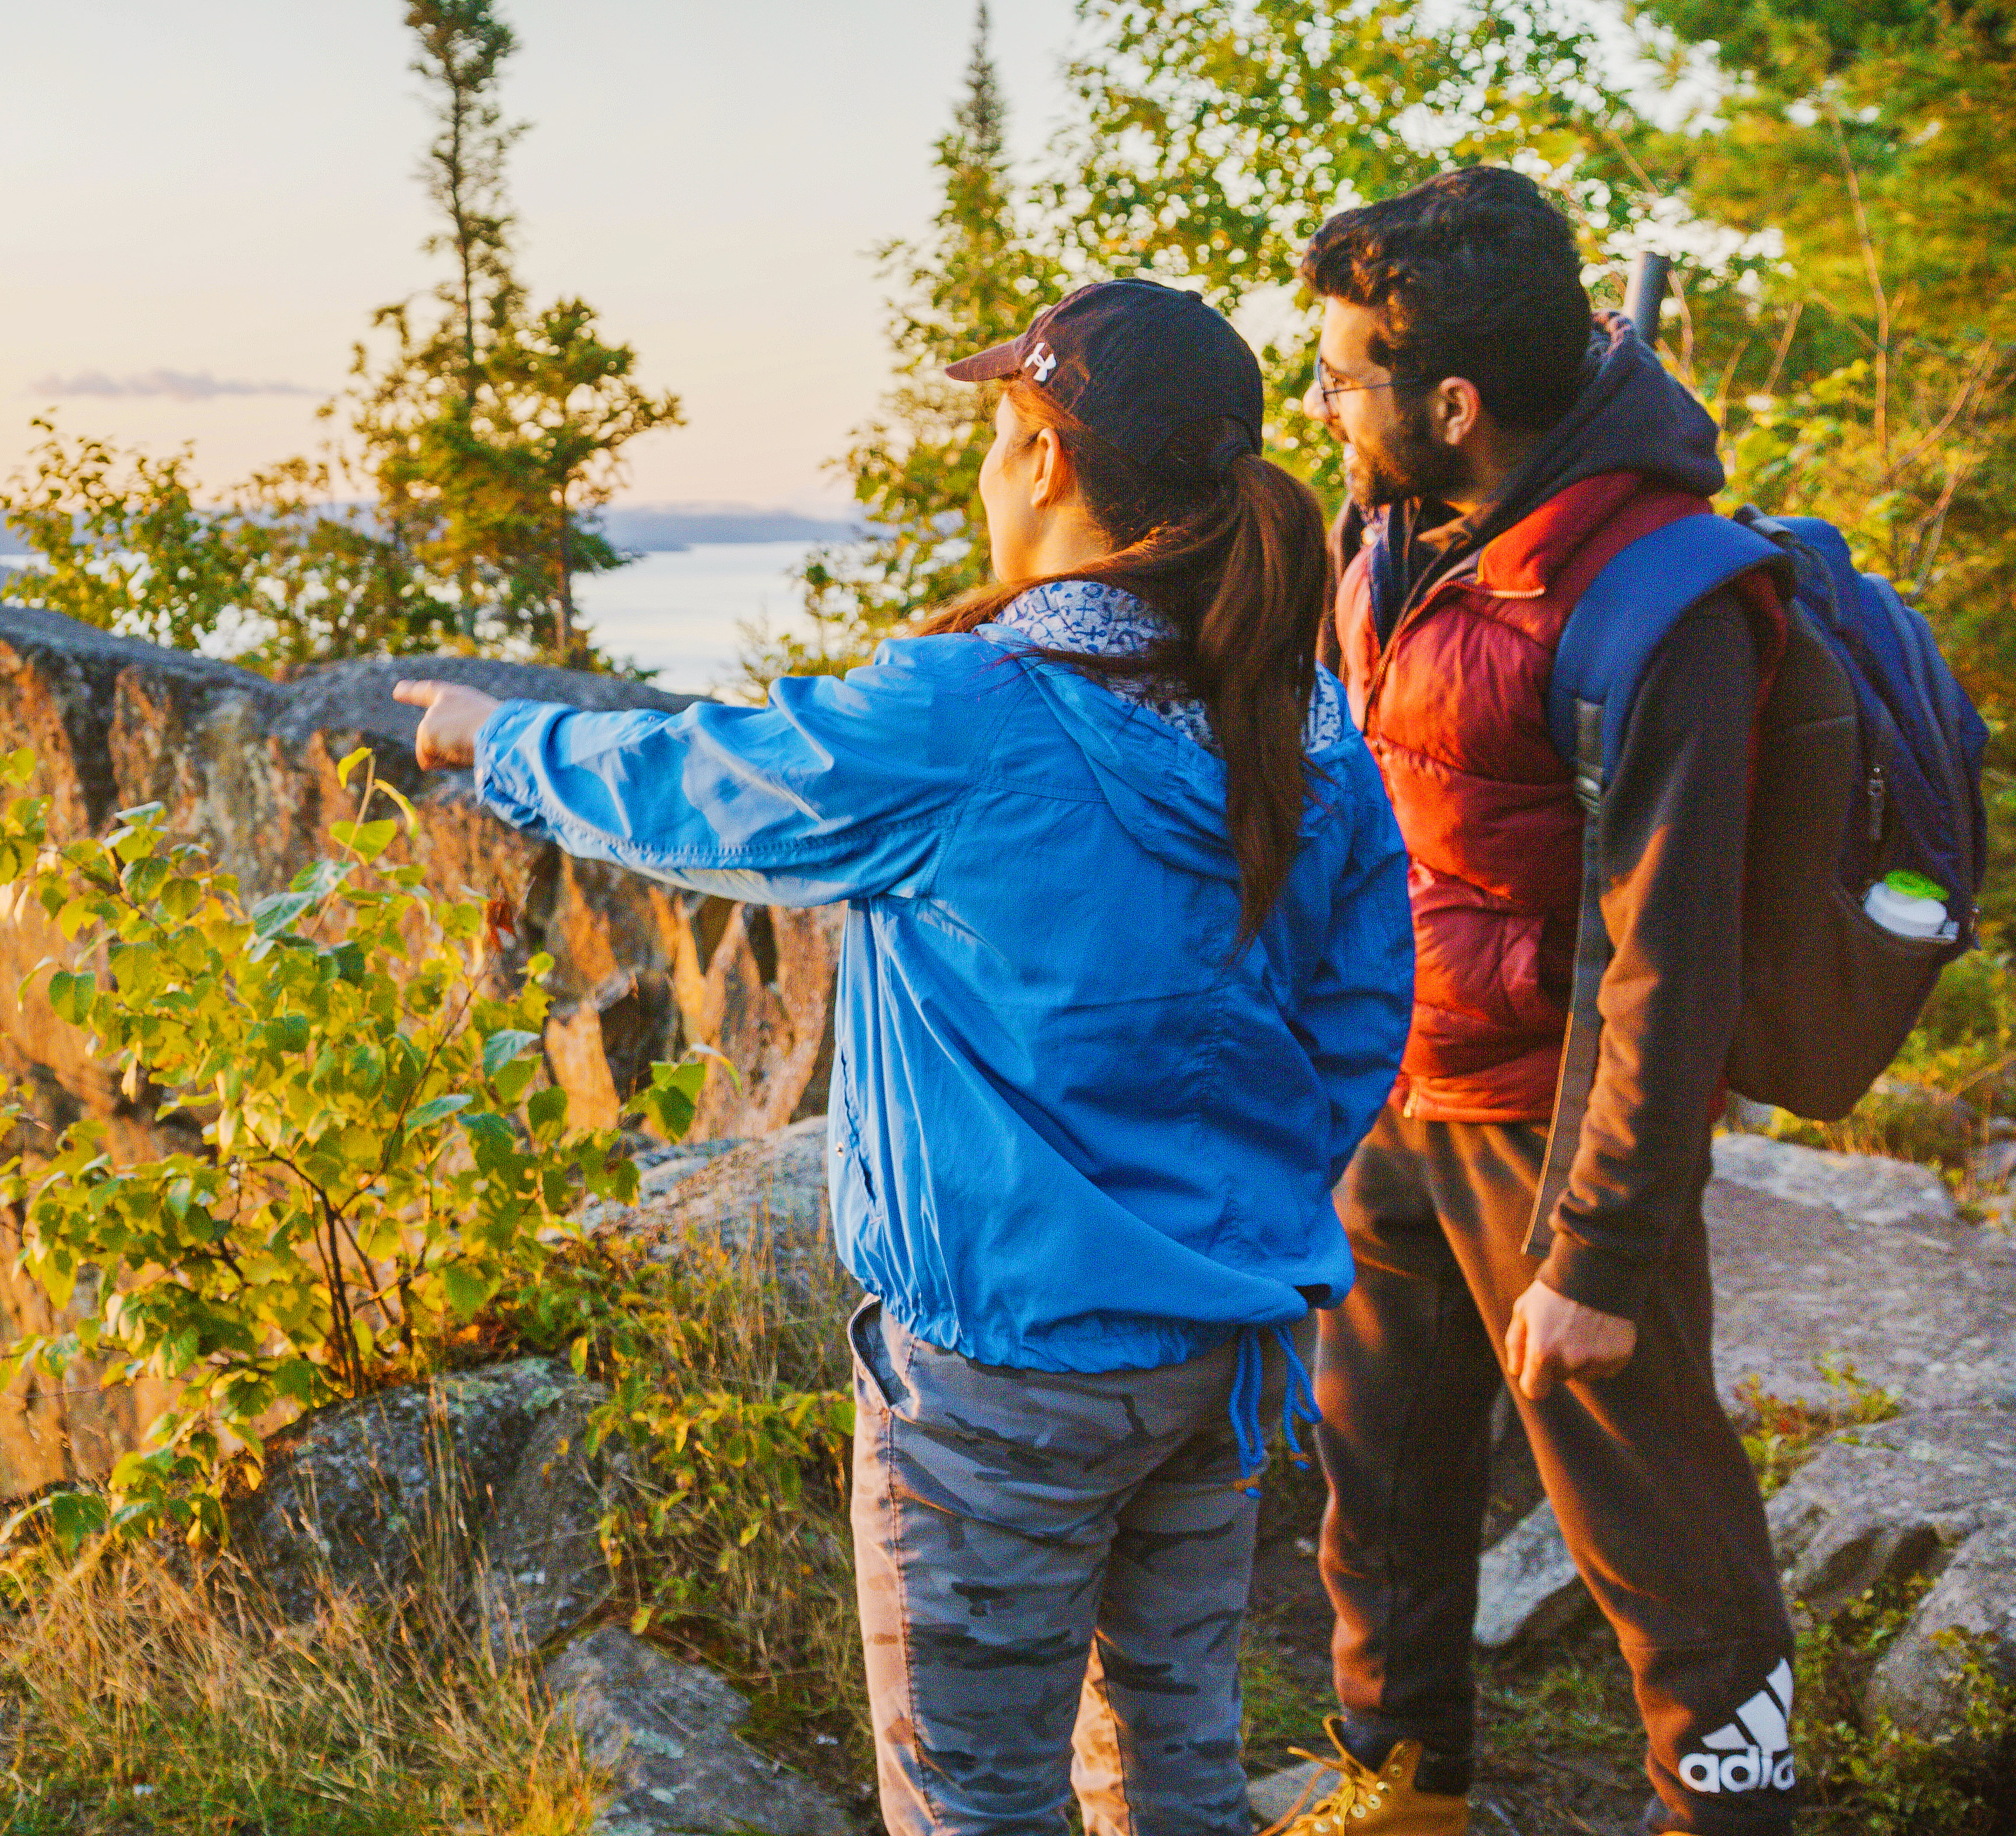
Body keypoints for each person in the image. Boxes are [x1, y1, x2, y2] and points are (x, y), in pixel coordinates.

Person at [396, 279, 1415, 1836]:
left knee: (979, 1803)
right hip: (1219, 1353)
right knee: (1174, 1769)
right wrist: (1245, 1200)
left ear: (1045, 460)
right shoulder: (1301, 715)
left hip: (1001, 1375)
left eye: (1003, 436)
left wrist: (500, 737)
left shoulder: (974, 713)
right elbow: (1358, 1019)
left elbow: (709, 787)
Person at [1263, 168, 1799, 1836]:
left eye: (1346, 372)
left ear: (1459, 400)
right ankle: (1402, 1786)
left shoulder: (1664, 601)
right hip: (1396, 1086)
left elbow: (1669, 952)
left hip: (1552, 1122)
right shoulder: (1394, 519)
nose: (1325, 398)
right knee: (1381, 1475)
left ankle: (1728, 1805)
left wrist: (1603, 1247)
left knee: (1652, 1518)